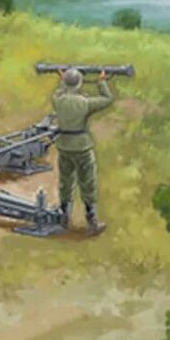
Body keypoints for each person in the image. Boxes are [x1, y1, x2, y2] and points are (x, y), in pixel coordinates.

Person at [52, 67, 113, 237]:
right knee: (88, 183)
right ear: (79, 84)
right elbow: (107, 99)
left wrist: (63, 79)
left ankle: (64, 218)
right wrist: (101, 82)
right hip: (82, 147)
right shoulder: (85, 103)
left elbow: (60, 92)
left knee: (66, 183)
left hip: (65, 146)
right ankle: (92, 222)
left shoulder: (57, 100)